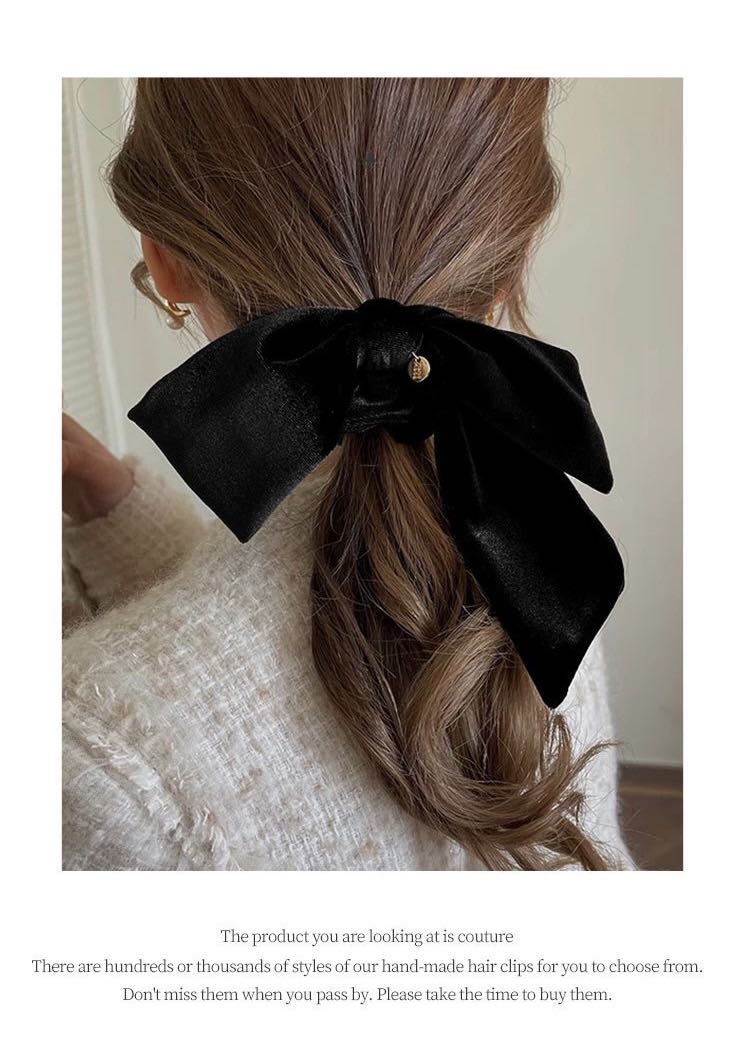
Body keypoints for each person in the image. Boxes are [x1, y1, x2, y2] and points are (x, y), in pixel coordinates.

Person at [62, 78, 634, 871]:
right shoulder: (544, 550)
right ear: (520, 252)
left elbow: (223, 686)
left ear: (163, 261)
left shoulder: (95, 762)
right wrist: (112, 508)